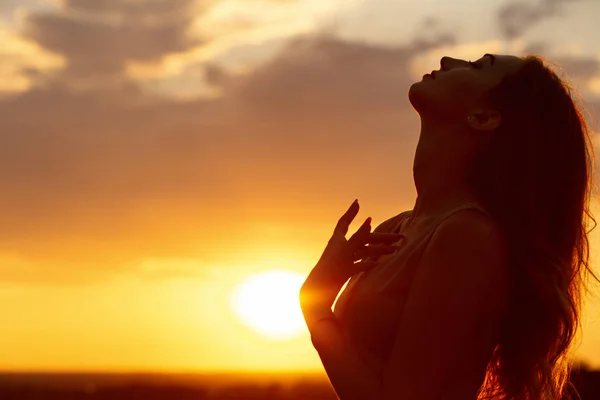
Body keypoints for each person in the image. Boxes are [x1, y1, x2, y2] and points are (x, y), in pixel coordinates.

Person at [299, 53, 599, 400]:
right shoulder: (398, 227)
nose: (447, 59)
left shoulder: (467, 236)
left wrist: (316, 308)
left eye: (477, 66)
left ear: (484, 117)